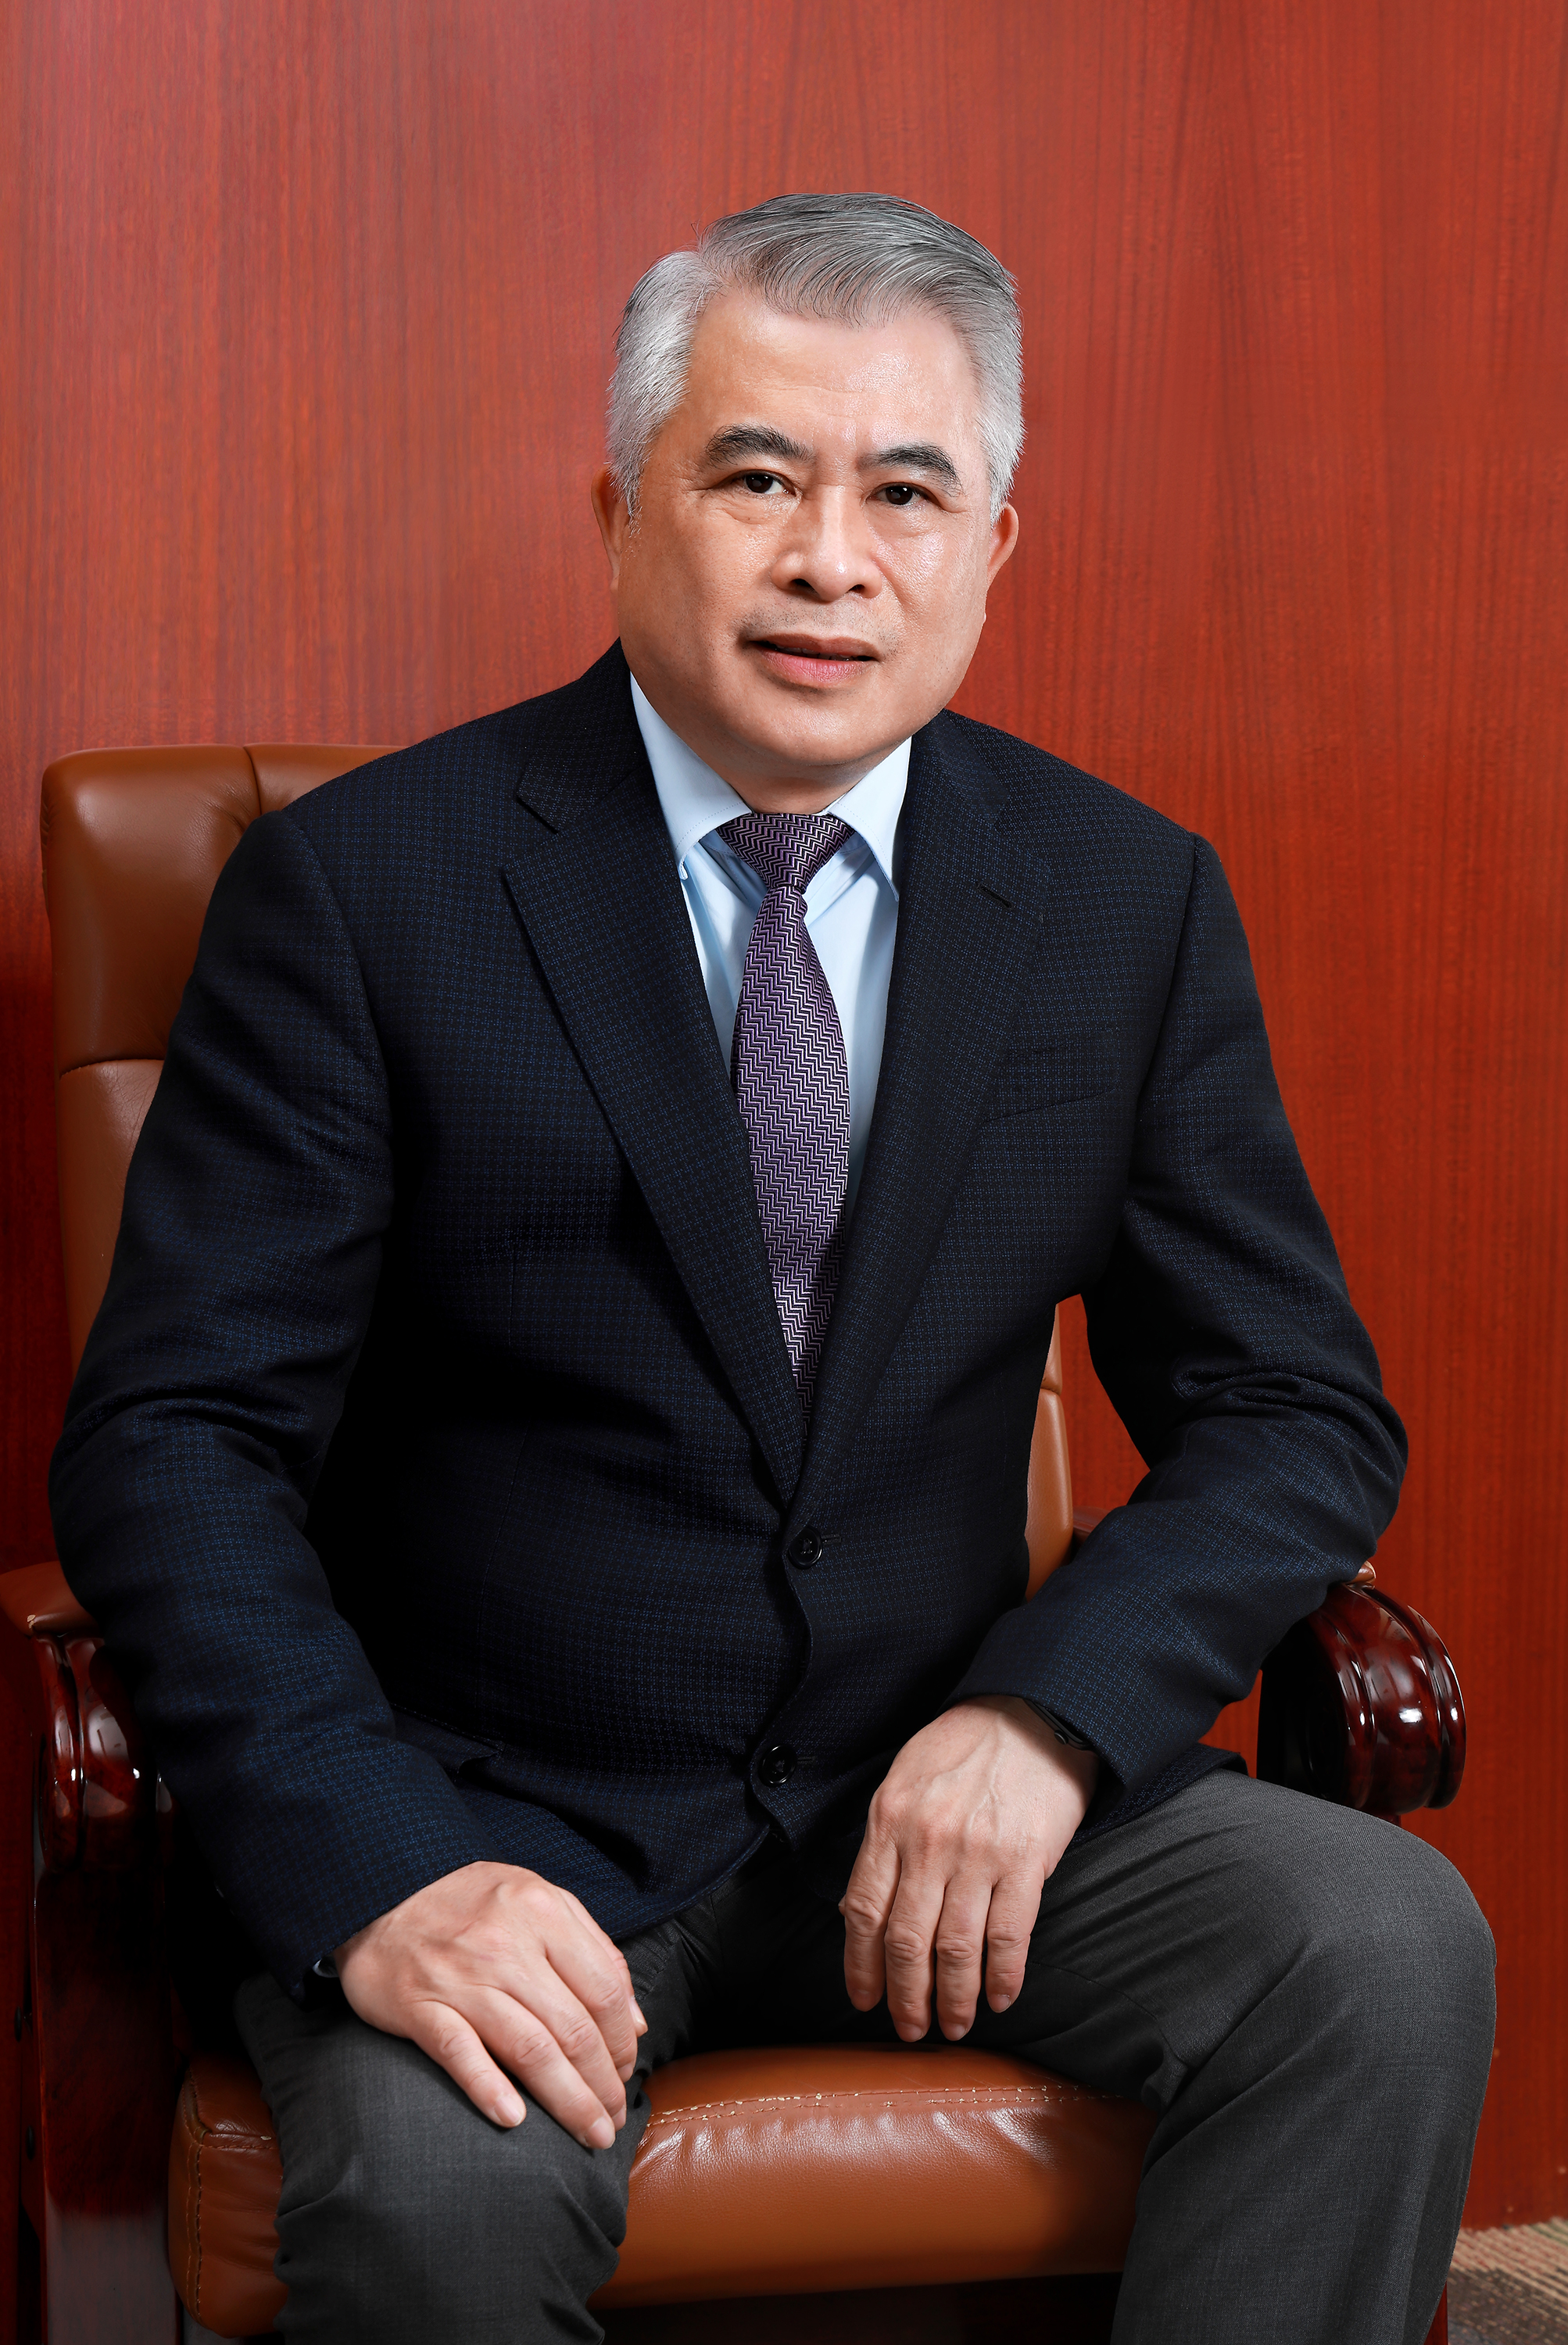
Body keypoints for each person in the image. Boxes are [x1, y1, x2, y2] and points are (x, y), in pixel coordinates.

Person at [50, 192, 1492, 2344]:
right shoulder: (365, 893)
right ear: (620, 509)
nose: (834, 560)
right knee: (439, 2192)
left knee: (1380, 1947)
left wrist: (1048, 1719)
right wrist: (382, 1868)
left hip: (942, 1812)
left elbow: (1292, 1405)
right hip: (495, 1821)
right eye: (755, 479)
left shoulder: (1121, 903)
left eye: (907, 492)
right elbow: (175, 1441)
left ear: (991, 546)